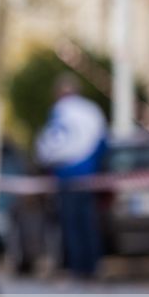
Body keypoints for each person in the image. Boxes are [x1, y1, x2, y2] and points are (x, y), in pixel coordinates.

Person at [36, 74, 106, 282]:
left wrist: (48, 164)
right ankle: (92, 266)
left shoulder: (60, 111)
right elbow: (103, 144)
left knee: (72, 225)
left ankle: (78, 268)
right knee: (87, 223)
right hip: (88, 175)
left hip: (67, 176)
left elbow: (50, 144)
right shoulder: (92, 110)